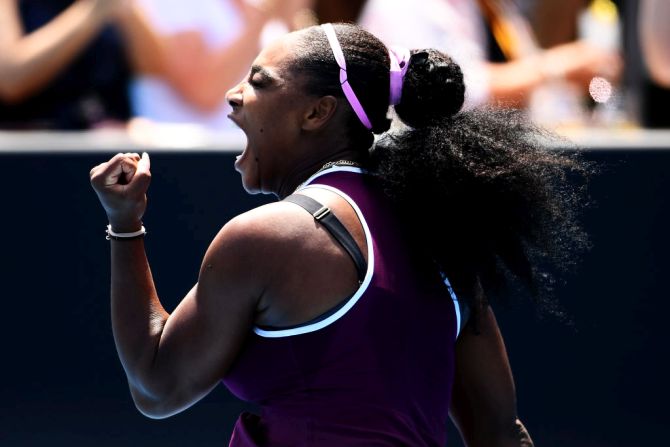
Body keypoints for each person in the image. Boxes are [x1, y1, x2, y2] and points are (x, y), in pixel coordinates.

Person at [90, 22, 589, 446]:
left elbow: (157, 387)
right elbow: (499, 434)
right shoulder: (439, 229)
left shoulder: (267, 238)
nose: (233, 93)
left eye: (259, 83)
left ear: (316, 113)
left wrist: (125, 224)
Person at [0, 0, 132, 129]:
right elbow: (9, 80)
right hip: (35, 141)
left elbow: (151, 70)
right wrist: (93, 11)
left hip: (107, 139)